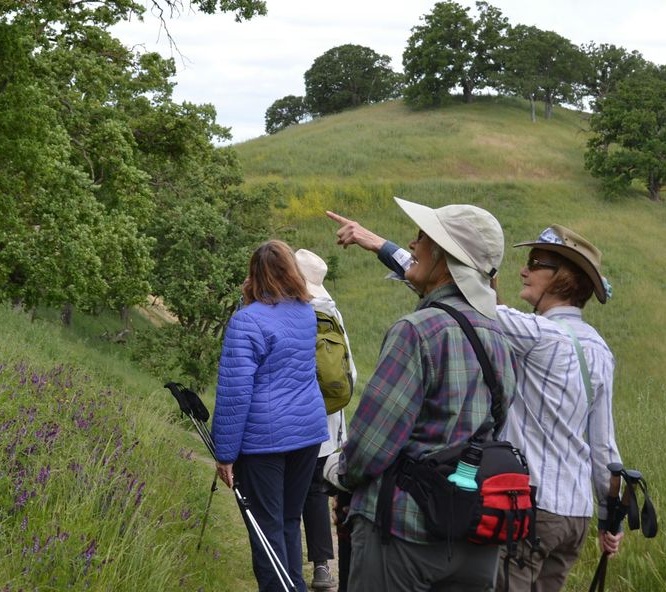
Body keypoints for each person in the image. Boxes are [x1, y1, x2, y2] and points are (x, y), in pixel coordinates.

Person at [328, 211, 624, 591]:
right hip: (574, 514)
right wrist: (609, 516)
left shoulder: (533, 334)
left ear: (563, 278)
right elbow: (603, 444)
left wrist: (383, 247)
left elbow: (463, 299)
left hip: (523, 506)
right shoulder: (600, 349)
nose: (524, 270)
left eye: (537, 263)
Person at [330, 198, 518, 592]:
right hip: (474, 535)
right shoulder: (498, 336)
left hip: (403, 533)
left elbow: (372, 446)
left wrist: (338, 474)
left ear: (445, 258)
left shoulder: (417, 331)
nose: (413, 246)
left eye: (422, 238)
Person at [212, 239, 330, 592]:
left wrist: (225, 455)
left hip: (265, 441)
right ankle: (294, 585)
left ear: (253, 275)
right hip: (307, 432)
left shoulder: (246, 321)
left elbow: (235, 392)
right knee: (289, 521)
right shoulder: (305, 313)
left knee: (266, 528)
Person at [295, 248, 355, 591]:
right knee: (316, 493)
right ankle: (321, 568)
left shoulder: (290, 311)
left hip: (291, 420)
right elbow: (351, 375)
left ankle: (284, 565)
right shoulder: (333, 314)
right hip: (328, 422)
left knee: (289, 493)